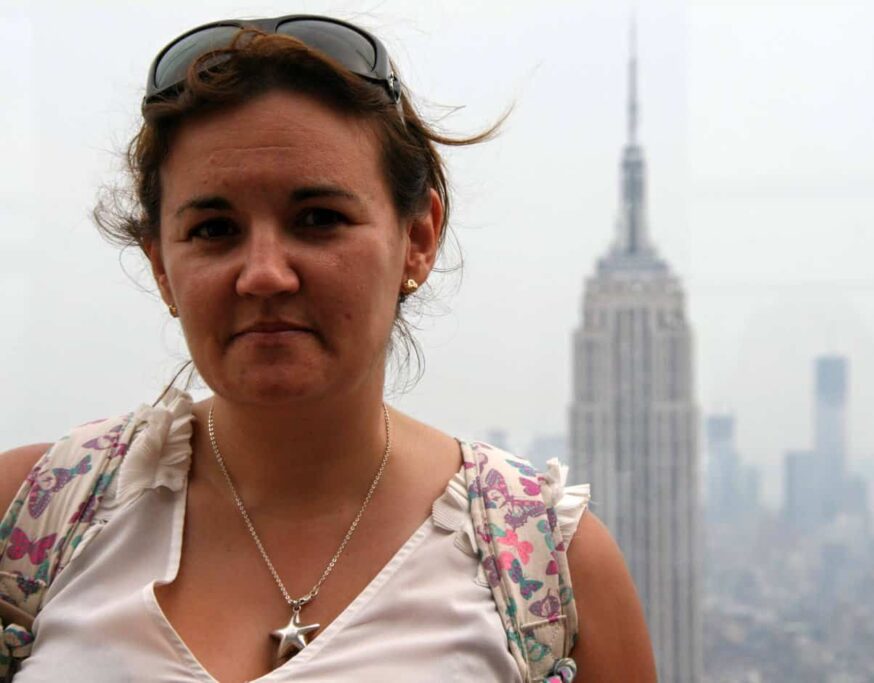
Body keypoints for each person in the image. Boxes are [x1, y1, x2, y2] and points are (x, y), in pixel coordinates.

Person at [0, 15, 656, 682]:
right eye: (213, 228)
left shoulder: (544, 568)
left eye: (318, 220)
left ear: (420, 238)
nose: (263, 272)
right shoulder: (34, 520)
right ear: (161, 266)